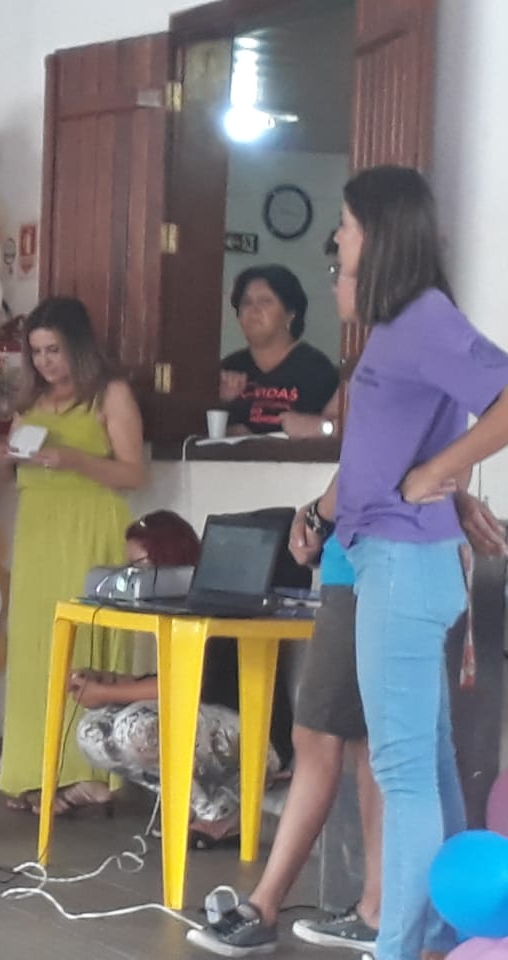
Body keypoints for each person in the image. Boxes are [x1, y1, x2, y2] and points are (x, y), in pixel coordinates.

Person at [301, 166, 508, 960]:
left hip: (403, 564)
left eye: (347, 224)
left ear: (381, 233)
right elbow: (380, 450)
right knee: (428, 764)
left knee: (404, 771)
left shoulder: (422, 318)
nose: (338, 238)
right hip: (395, 558)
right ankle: (443, 936)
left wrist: (436, 476)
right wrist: (322, 515)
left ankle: (398, 946)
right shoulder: (400, 324)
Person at [0, 296, 145, 814]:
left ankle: (87, 773)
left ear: (77, 347)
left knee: (83, 642)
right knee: (35, 648)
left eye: (54, 350)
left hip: (90, 525)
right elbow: (7, 474)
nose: (45, 362)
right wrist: (6, 455)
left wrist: (74, 459)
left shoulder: (110, 393)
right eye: (36, 352)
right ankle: (34, 773)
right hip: (38, 528)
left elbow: (134, 472)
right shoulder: (30, 400)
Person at [70, 510, 281, 847]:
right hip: (210, 724)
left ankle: (221, 815)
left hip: (258, 737)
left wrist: (109, 692)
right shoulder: (176, 609)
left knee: (136, 728)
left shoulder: (215, 606)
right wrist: (110, 682)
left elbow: (189, 684)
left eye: (138, 566)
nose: (131, 576)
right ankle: (204, 806)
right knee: (92, 731)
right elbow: (170, 677)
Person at [220, 264, 340, 438]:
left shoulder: (315, 368)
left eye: (265, 301)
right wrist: (222, 404)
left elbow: (331, 431)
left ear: (290, 314)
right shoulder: (230, 367)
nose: (254, 310)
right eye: (246, 302)